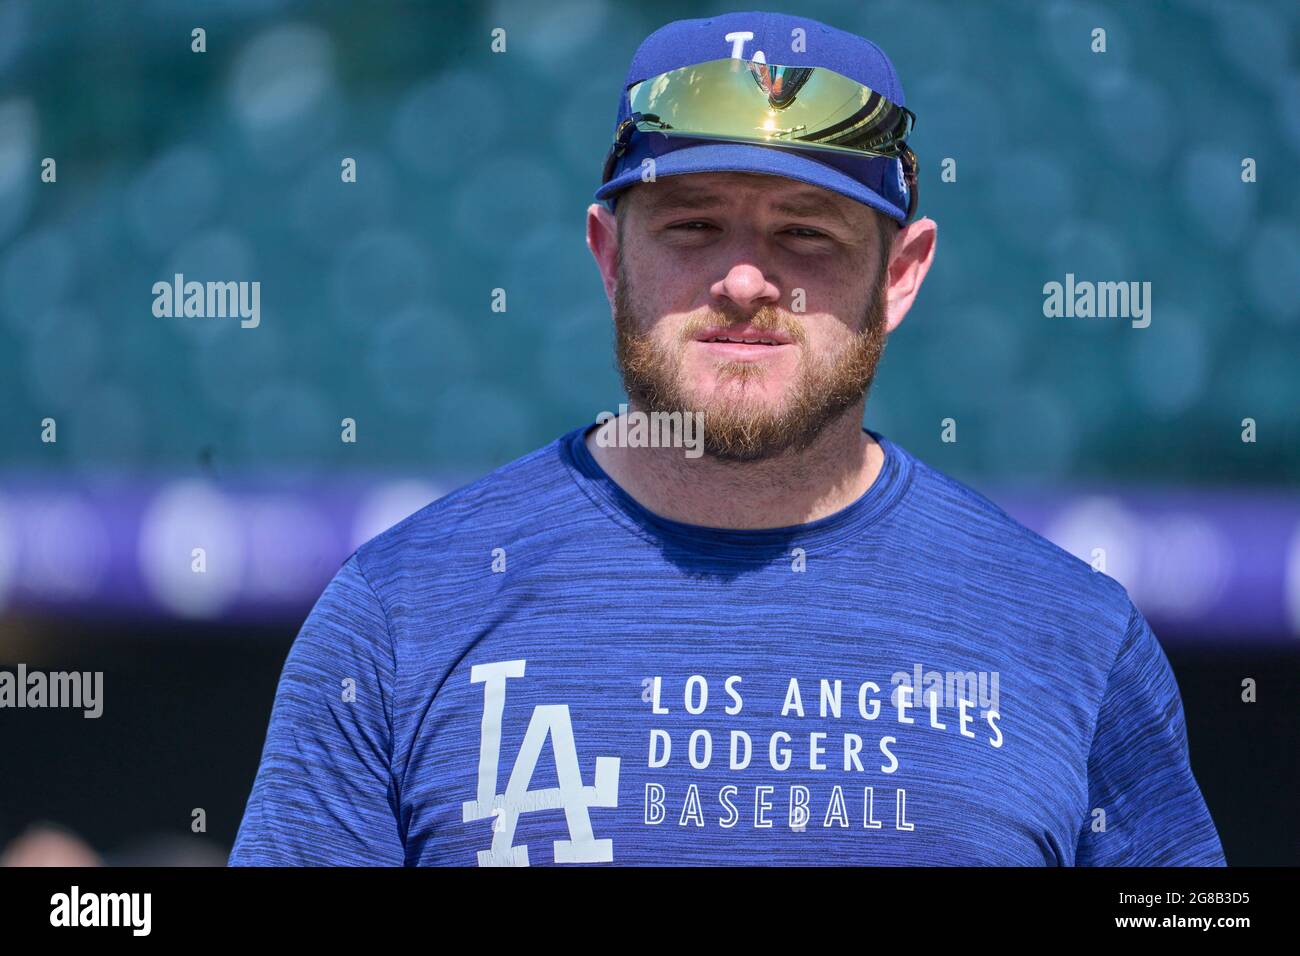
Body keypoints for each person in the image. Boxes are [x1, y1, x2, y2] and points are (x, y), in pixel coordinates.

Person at [229, 10, 1225, 867]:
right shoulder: (401, 612)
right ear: (608, 254)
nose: (745, 281)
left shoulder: (1072, 634)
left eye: (805, 233)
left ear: (902, 274)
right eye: (693, 225)